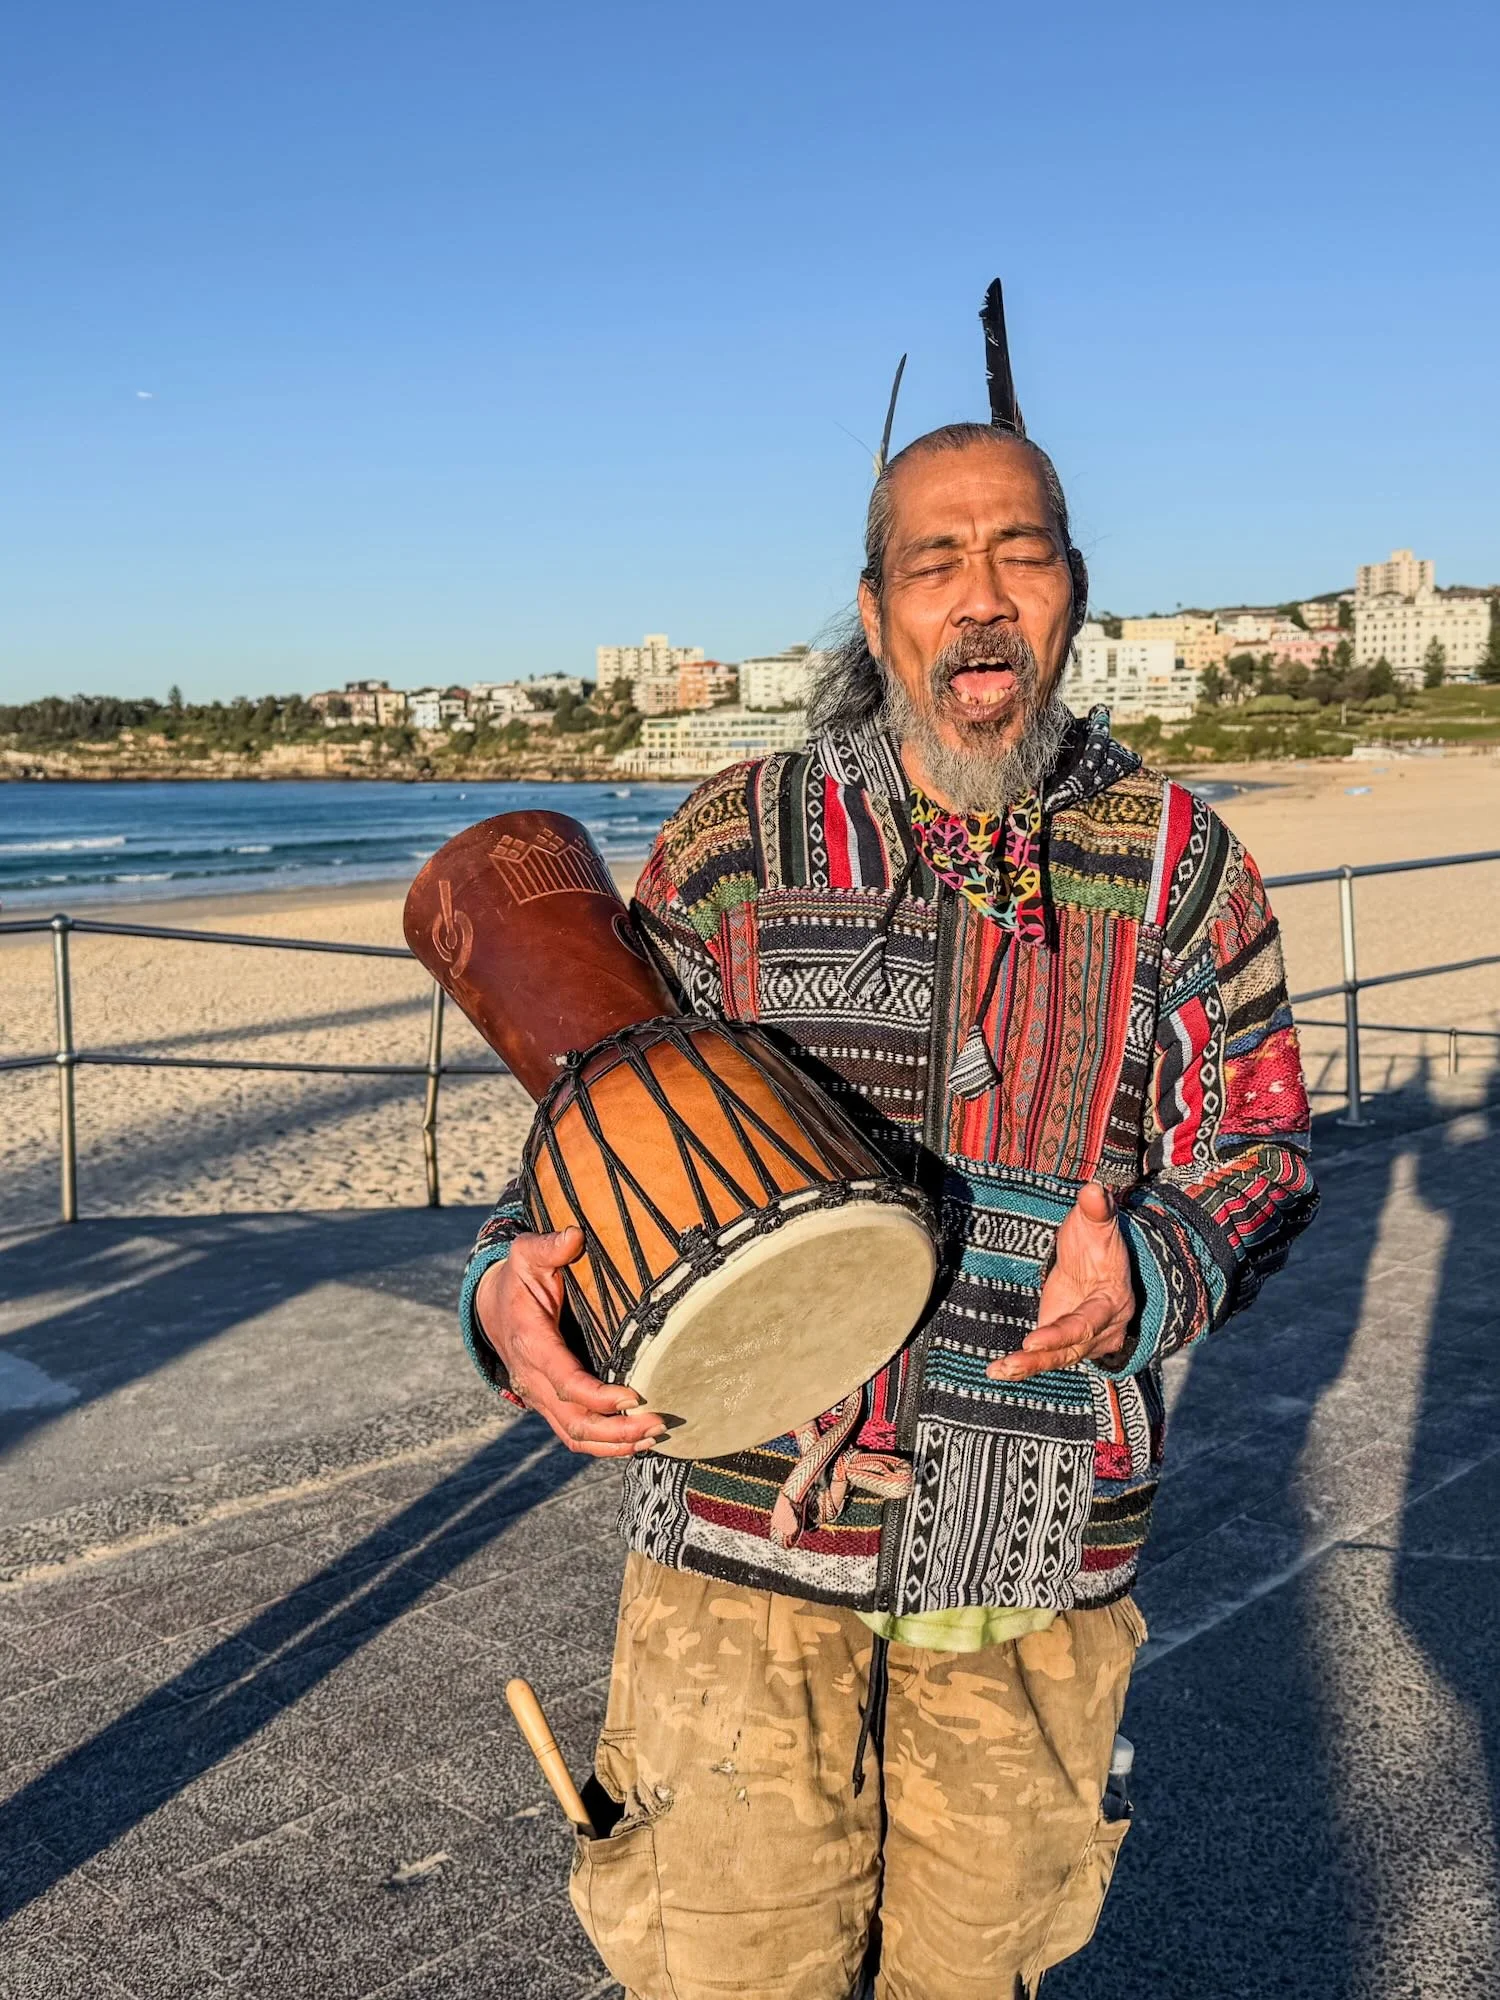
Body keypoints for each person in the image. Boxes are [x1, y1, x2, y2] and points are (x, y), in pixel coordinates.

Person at [458, 287, 1318, 1999]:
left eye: (1020, 553)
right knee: (728, 1967)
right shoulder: (740, 842)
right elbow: (592, 1128)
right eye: (935, 562)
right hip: (736, 1537)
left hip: (1038, 1542)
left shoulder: (1182, 860)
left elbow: (1263, 1142)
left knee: (977, 1971)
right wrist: (506, 1293)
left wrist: (1154, 1265)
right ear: (875, 608)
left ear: (1074, 593)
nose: (980, 595)